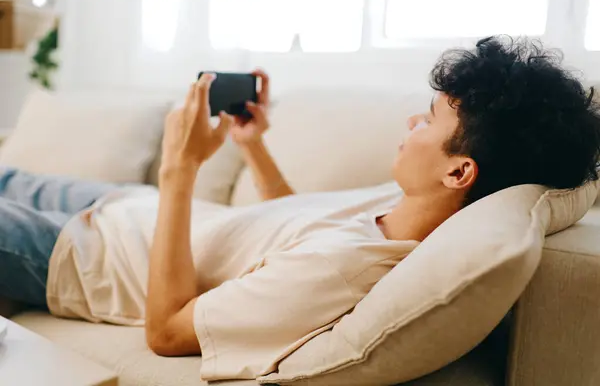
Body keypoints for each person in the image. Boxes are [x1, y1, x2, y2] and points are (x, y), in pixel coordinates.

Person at [1, 36, 599, 380]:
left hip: (84, 255)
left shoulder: (344, 275)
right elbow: (298, 226)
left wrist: (179, 168)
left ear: (460, 171)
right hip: (120, 206)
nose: (410, 124)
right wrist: (252, 148)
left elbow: (166, 331)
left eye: (430, 119)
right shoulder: (408, 207)